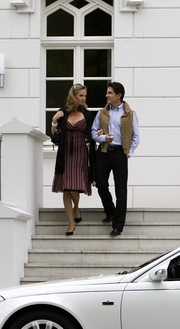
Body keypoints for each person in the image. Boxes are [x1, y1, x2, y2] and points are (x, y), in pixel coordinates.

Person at [91, 81, 140, 237]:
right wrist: (104, 138)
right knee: (100, 183)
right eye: (107, 92)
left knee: (120, 189)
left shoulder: (130, 114)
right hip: (103, 152)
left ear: (119, 95)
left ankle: (118, 225)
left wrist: (128, 152)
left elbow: (136, 137)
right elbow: (93, 133)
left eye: (110, 93)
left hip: (119, 153)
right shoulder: (101, 113)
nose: (107, 95)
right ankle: (110, 210)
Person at [50, 84, 95, 236]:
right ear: (73, 97)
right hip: (65, 153)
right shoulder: (63, 112)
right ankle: (71, 224)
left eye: (85, 96)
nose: (83, 98)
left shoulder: (88, 115)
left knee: (75, 186)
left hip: (80, 153)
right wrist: (54, 122)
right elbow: (54, 136)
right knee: (66, 187)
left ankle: (76, 207)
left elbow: (92, 134)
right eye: (81, 95)